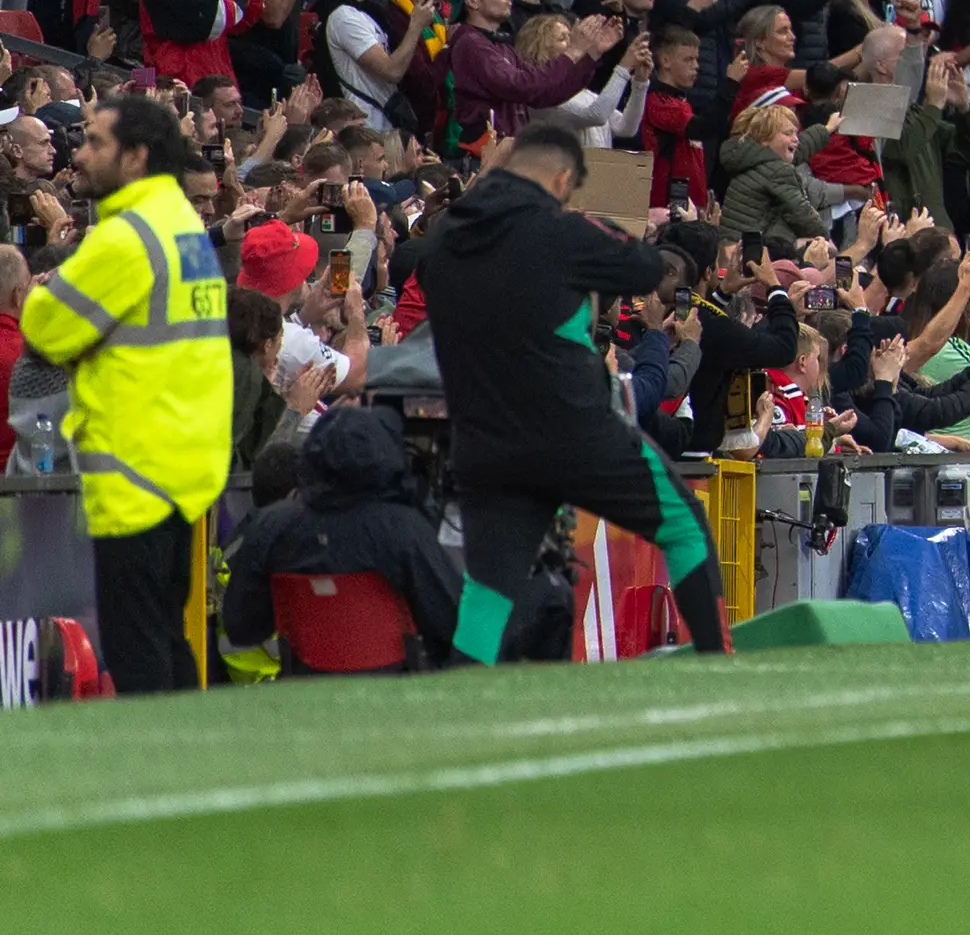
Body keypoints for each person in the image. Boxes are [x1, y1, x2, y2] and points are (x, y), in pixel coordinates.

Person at [417, 111, 731, 662]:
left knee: (489, 588)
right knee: (684, 525)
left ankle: (460, 692)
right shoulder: (559, 230)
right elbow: (644, 269)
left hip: (485, 440)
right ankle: (717, 657)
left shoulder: (443, 240)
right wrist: (598, 228)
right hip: (573, 426)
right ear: (563, 180)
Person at [20, 92, 231, 691]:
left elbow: (43, 327)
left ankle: (165, 753)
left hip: (134, 469)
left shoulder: (127, 239)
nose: (80, 153)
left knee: (137, 649)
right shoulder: (181, 225)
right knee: (167, 635)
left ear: (135, 157)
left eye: (95, 142)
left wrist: (45, 296)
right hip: (183, 465)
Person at [216, 403, 462, 669]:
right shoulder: (405, 529)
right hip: (393, 686)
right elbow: (450, 623)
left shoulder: (271, 527)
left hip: (305, 684)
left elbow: (241, 628)